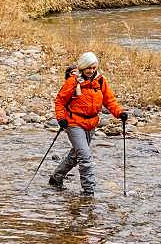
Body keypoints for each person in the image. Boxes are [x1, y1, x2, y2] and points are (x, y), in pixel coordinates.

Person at [49, 51, 127, 196]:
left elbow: (109, 101)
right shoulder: (73, 81)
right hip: (73, 123)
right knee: (85, 157)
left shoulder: (101, 80)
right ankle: (88, 191)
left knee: (75, 155)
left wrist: (119, 113)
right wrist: (61, 118)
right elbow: (60, 101)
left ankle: (56, 178)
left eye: (94, 67)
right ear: (82, 67)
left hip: (91, 123)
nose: (91, 71)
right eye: (88, 68)